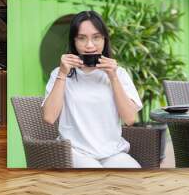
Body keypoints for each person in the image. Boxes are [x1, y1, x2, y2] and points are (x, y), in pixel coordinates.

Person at [41, 11, 143, 168]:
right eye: (82, 38)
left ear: (104, 40)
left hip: (112, 153)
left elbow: (130, 119)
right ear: (73, 41)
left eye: (96, 37)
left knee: (135, 177)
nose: (89, 45)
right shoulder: (60, 73)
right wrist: (62, 73)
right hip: (74, 152)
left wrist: (113, 77)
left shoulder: (119, 74)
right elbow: (49, 117)